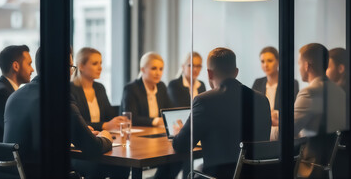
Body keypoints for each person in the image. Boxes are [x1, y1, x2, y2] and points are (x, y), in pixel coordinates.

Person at [4, 48, 127, 179]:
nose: (71, 72)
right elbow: (93, 148)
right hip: (47, 173)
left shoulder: (14, 96)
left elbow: (36, 136)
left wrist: (76, 132)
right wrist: (106, 137)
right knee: (119, 166)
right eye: (70, 66)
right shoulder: (59, 97)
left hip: (16, 174)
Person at [172, 47, 272, 178]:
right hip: (256, 174)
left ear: (209, 73)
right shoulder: (262, 100)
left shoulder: (204, 101)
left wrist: (178, 132)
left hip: (219, 175)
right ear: (236, 72)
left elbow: (181, 145)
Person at [0, 45, 34, 142]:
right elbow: (16, 131)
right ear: (16, 66)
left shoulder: (4, 89)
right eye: (29, 64)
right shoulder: (1, 94)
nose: (32, 69)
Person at [294, 43, 347, 137]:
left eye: (299, 63)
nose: (298, 68)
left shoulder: (308, 93)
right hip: (330, 150)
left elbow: (286, 132)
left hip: (310, 150)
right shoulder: (339, 91)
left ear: (306, 66)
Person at [70, 47, 126, 131]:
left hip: (102, 137)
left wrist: (118, 121)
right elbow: (76, 123)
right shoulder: (70, 89)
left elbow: (109, 117)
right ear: (81, 66)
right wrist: (104, 125)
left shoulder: (100, 88)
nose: (100, 68)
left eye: (101, 63)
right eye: (95, 63)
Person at [121, 52, 172, 127]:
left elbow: (169, 111)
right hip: (139, 133)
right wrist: (155, 121)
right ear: (143, 69)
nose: (158, 73)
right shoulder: (131, 88)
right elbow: (130, 118)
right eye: (154, 68)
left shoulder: (161, 86)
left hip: (157, 130)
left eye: (161, 69)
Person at [252, 46, 299, 126]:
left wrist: (277, 113)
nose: (265, 65)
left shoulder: (291, 83)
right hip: (261, 126)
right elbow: (252, 107)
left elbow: (294, 109)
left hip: (282, 127)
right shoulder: (258, 82)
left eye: (270, 61)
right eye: (262, 61)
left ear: (278, 61)